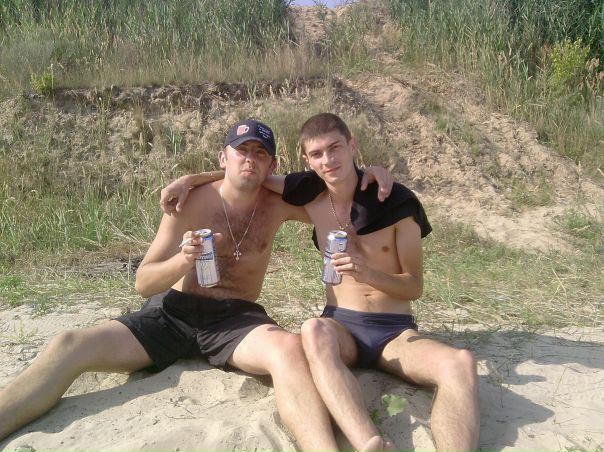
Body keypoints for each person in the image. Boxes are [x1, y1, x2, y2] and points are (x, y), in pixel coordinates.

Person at [0, 118, 393, 452]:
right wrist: (183, 259)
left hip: (236, 319)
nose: (250, 159)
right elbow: (143, 282)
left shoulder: (280, 203)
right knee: (69, 344)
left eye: (260, 154)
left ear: (271, 164)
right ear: (224, 157)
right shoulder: (188, 202)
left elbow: (335, 189)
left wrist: (370, 173)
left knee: (289, 350)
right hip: (173, 313)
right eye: (241, 151)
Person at [162, 113, 480, 452]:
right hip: (341, 328)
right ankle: (370, 444)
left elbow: (414, 286)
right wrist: (189, 180)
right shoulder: (310, 195)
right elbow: (248, 175)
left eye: (335, 148)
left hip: (394, 332)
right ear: (307, 160)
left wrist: (368, 273)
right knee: (313, 330)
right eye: (317, 154)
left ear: (352, 145)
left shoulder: (396, 201)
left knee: (460, 364)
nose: (327, 160)